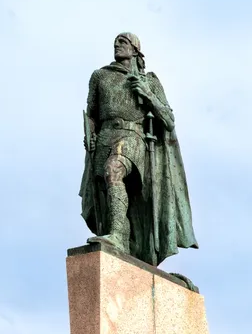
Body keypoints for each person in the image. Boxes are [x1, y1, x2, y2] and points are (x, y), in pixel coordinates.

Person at [79, 33, 198, 266]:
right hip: (105, 137)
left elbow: (169, 119)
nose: (117, 45)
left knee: (115, 168)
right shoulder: (100, 76)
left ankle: (117, 236)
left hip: (133, 136)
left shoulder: (149, 80)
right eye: (115, 42)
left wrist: (148, 94)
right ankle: (123, 237)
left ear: (135, 50)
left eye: (123, 42)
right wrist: (90, 135)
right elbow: (91, 113)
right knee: (110, 190)